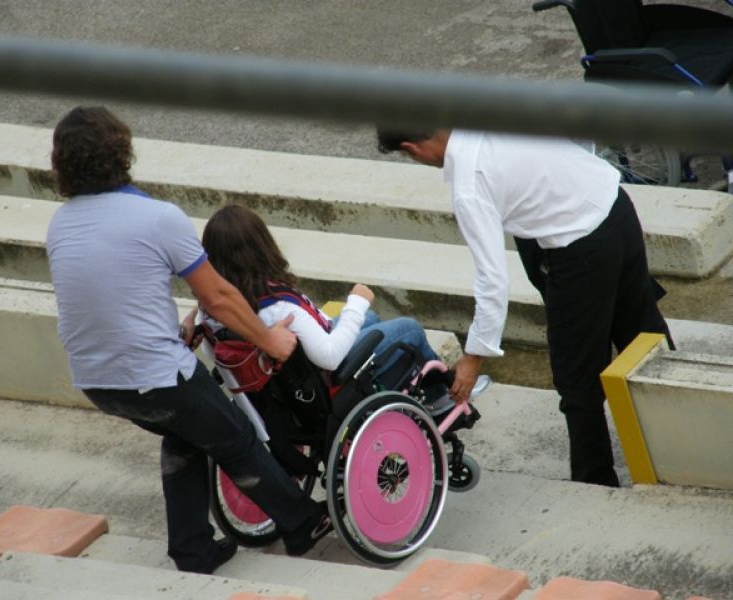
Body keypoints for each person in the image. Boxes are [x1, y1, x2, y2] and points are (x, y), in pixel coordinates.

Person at [45, 106, 331, 575]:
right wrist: (269, 340)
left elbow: (106, 294)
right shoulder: (158, 217)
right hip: (154, 375)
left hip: (96, 380)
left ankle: (193, 552)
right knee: (235, 439)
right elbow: (218, 296)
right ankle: (304, 522)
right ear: (122, 152)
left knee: (186, 435)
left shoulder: (60, 223)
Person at [376, 127, 673, 487]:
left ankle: (595, 482)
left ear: (412, 148)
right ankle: (680, 442)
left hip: (581, 247)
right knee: (642, 333)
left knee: (577, 378)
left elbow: (492, 282)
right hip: (614, 204)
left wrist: (474, 357)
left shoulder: (470, 186)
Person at [200, 204, 449, 398]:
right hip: (322, 381)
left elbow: (209, 351)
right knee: (409, 329)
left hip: (282, 382)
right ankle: (441, 397)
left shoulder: (213, 307)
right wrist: (356, 303)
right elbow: (330, 357)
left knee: (371, 318)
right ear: (261, 247)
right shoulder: (279, 307)